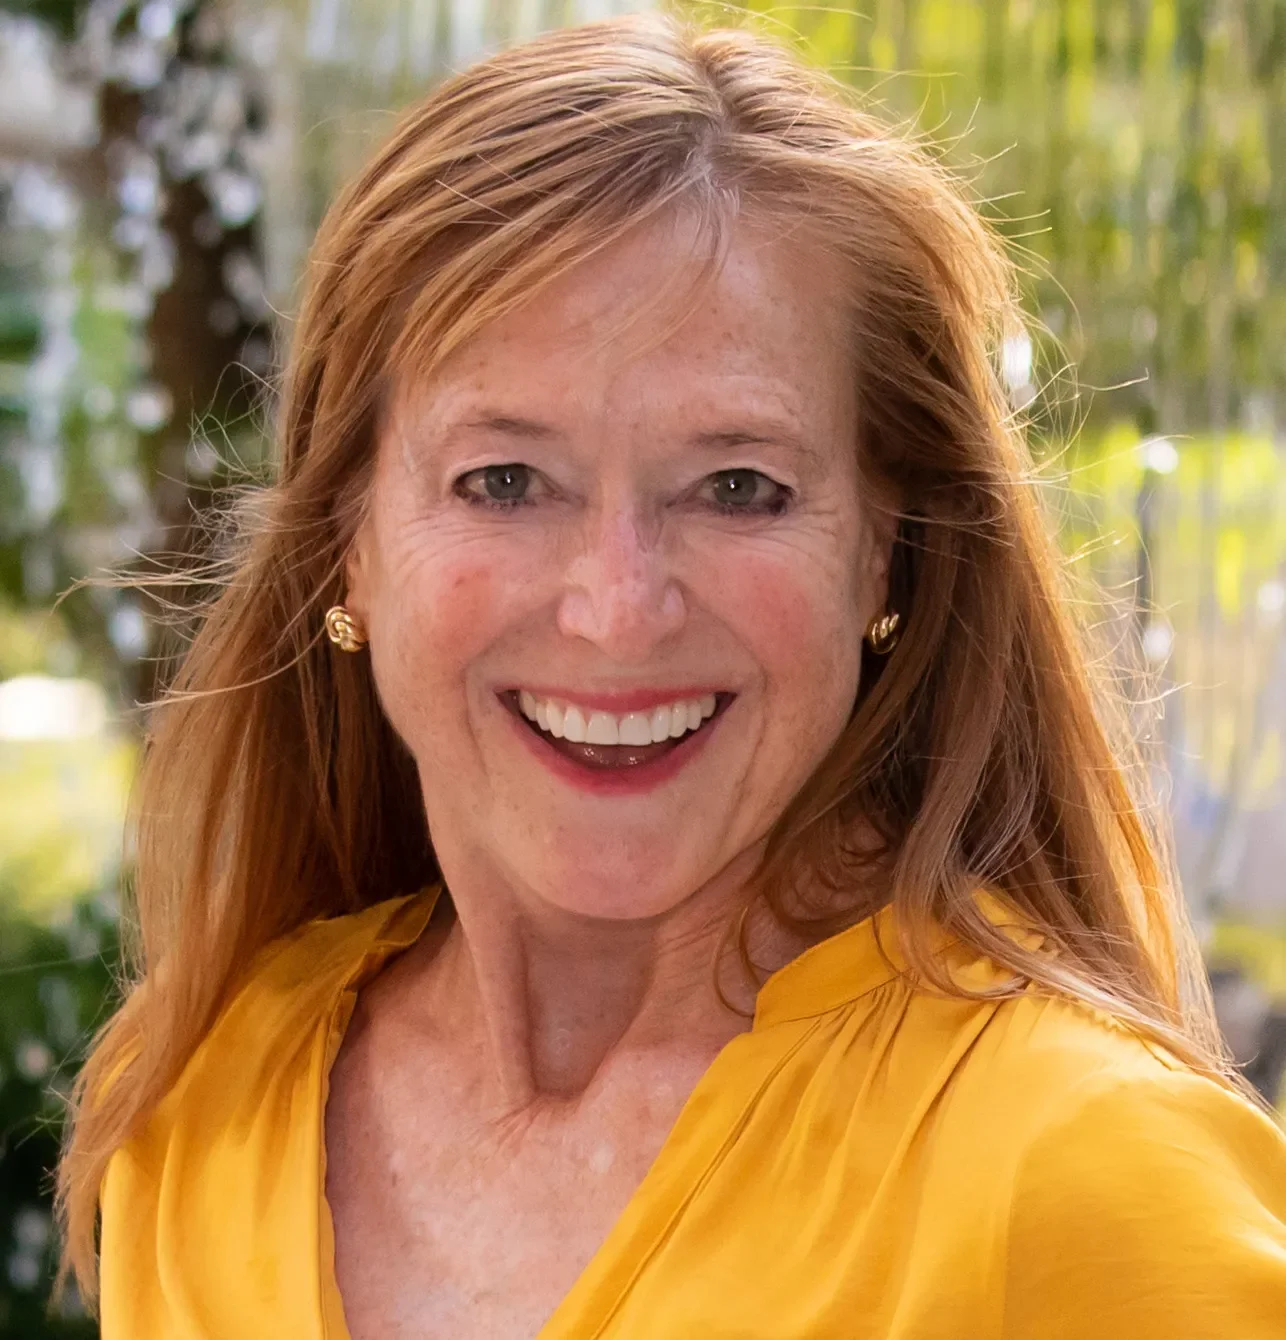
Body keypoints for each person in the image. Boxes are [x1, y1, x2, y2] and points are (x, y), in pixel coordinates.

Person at [58, 14, 1286, 1339]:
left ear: (887, 554)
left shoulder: (1082, 1181)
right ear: (349, 546)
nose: (617, 612)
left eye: (736, 487)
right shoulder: (199, 1099)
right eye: (505, 480)